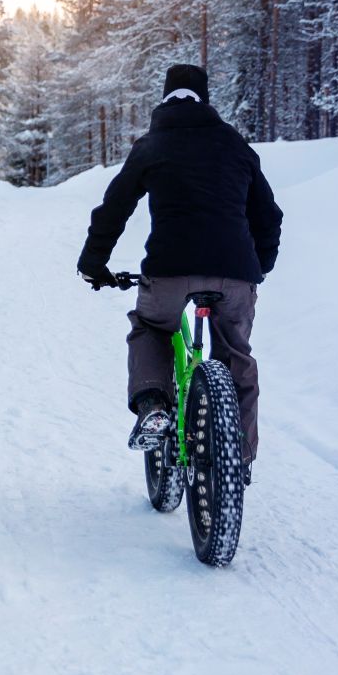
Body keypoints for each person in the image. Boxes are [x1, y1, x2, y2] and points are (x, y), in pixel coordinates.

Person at [76, 64, 282, 481]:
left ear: (165, 98)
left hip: (170, 271)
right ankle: (237, 459)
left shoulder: (152, 145)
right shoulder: (236, 145)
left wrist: (93, 264)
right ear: (205, 100)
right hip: (234, 275)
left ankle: (154, 404)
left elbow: (114, 209)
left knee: (150, 327)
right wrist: (257, 267)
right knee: (236, 353)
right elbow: (269, 215)